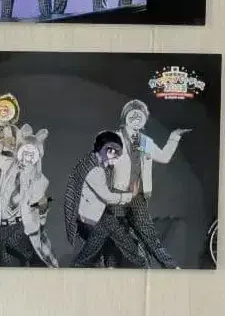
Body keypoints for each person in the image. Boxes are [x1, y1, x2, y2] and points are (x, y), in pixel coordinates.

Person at [110, 99, 189, 268]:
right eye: (133, 115)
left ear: (144, 120)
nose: (136, 119)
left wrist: (174, 137)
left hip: (138, 197)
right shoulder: (114, 138)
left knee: (149, 235)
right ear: (125, 117)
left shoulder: (146, 141)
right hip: (118, 194)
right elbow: (102, 161)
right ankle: (110, 268)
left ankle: (171, 267)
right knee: (114, 235)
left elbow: (164, 157)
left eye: (140, 116)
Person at [63, 130, 144, 268]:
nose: (115, 157)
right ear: (106, 150)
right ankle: (138, 263)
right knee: (108, 232)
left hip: (93, 216)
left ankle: (123, 264)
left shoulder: (92, 163)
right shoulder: (95, 170)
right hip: (89, 219)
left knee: (115, 235)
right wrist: (130, 195)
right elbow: (107, 197)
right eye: (113, 152)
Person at [0, 126, 55, 267]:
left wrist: (42, 213)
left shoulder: (39, 180)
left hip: (18, 226)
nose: (28, 158)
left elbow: (40, 203)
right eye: (25, 153)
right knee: (5, 264)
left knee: (27, 256)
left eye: (32, 155)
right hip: (2, 226)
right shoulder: (7, 167)